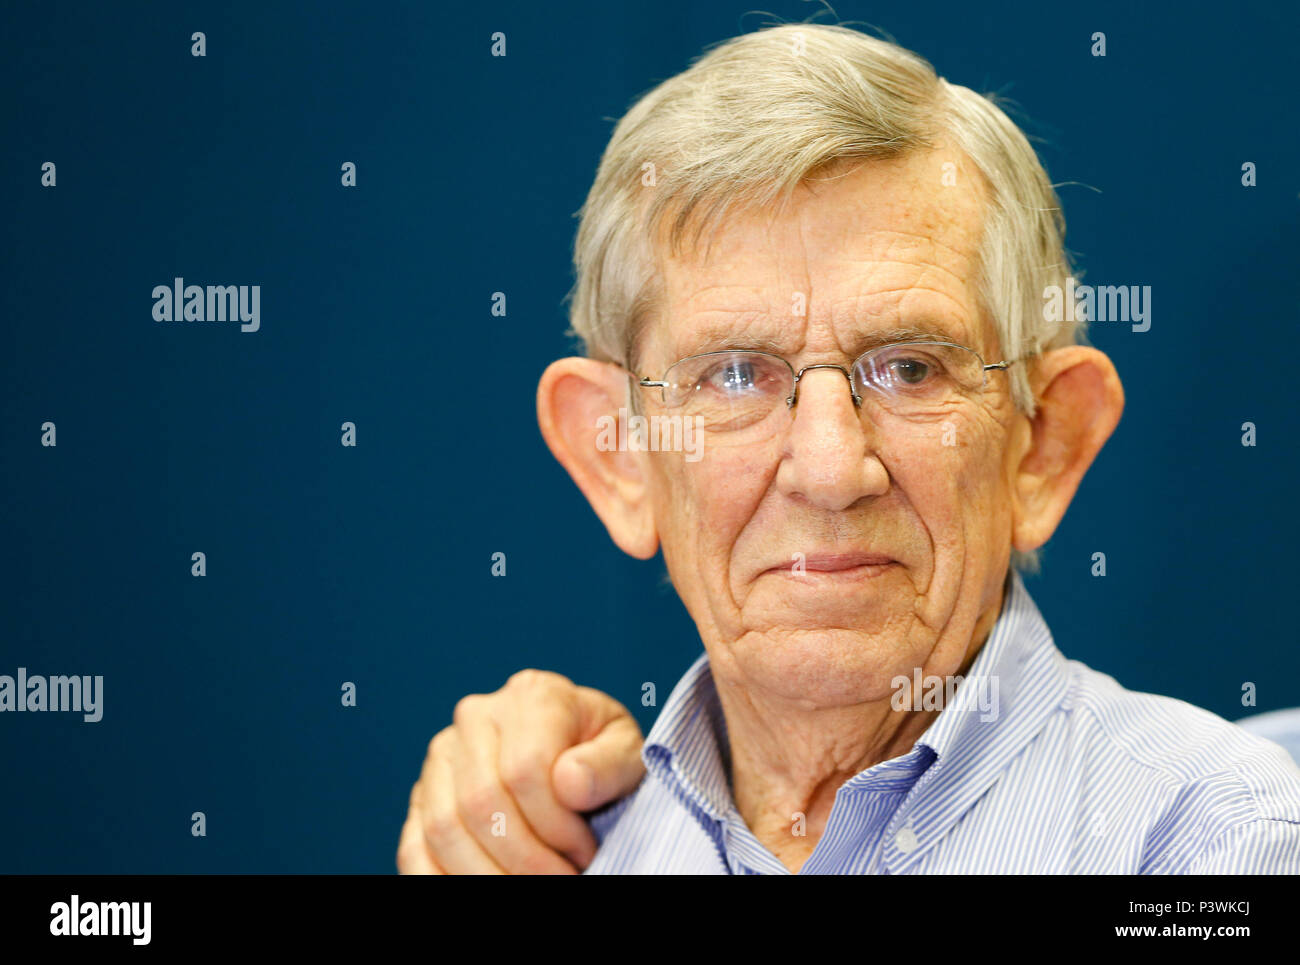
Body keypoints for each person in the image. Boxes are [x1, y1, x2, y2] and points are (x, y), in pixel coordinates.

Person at [397, 23, 1300, 874]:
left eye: (909, 368)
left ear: (1042, 446)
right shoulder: (542, 842)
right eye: (737, 375)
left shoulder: (1216, 842)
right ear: (619, 454)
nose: (830, 471)